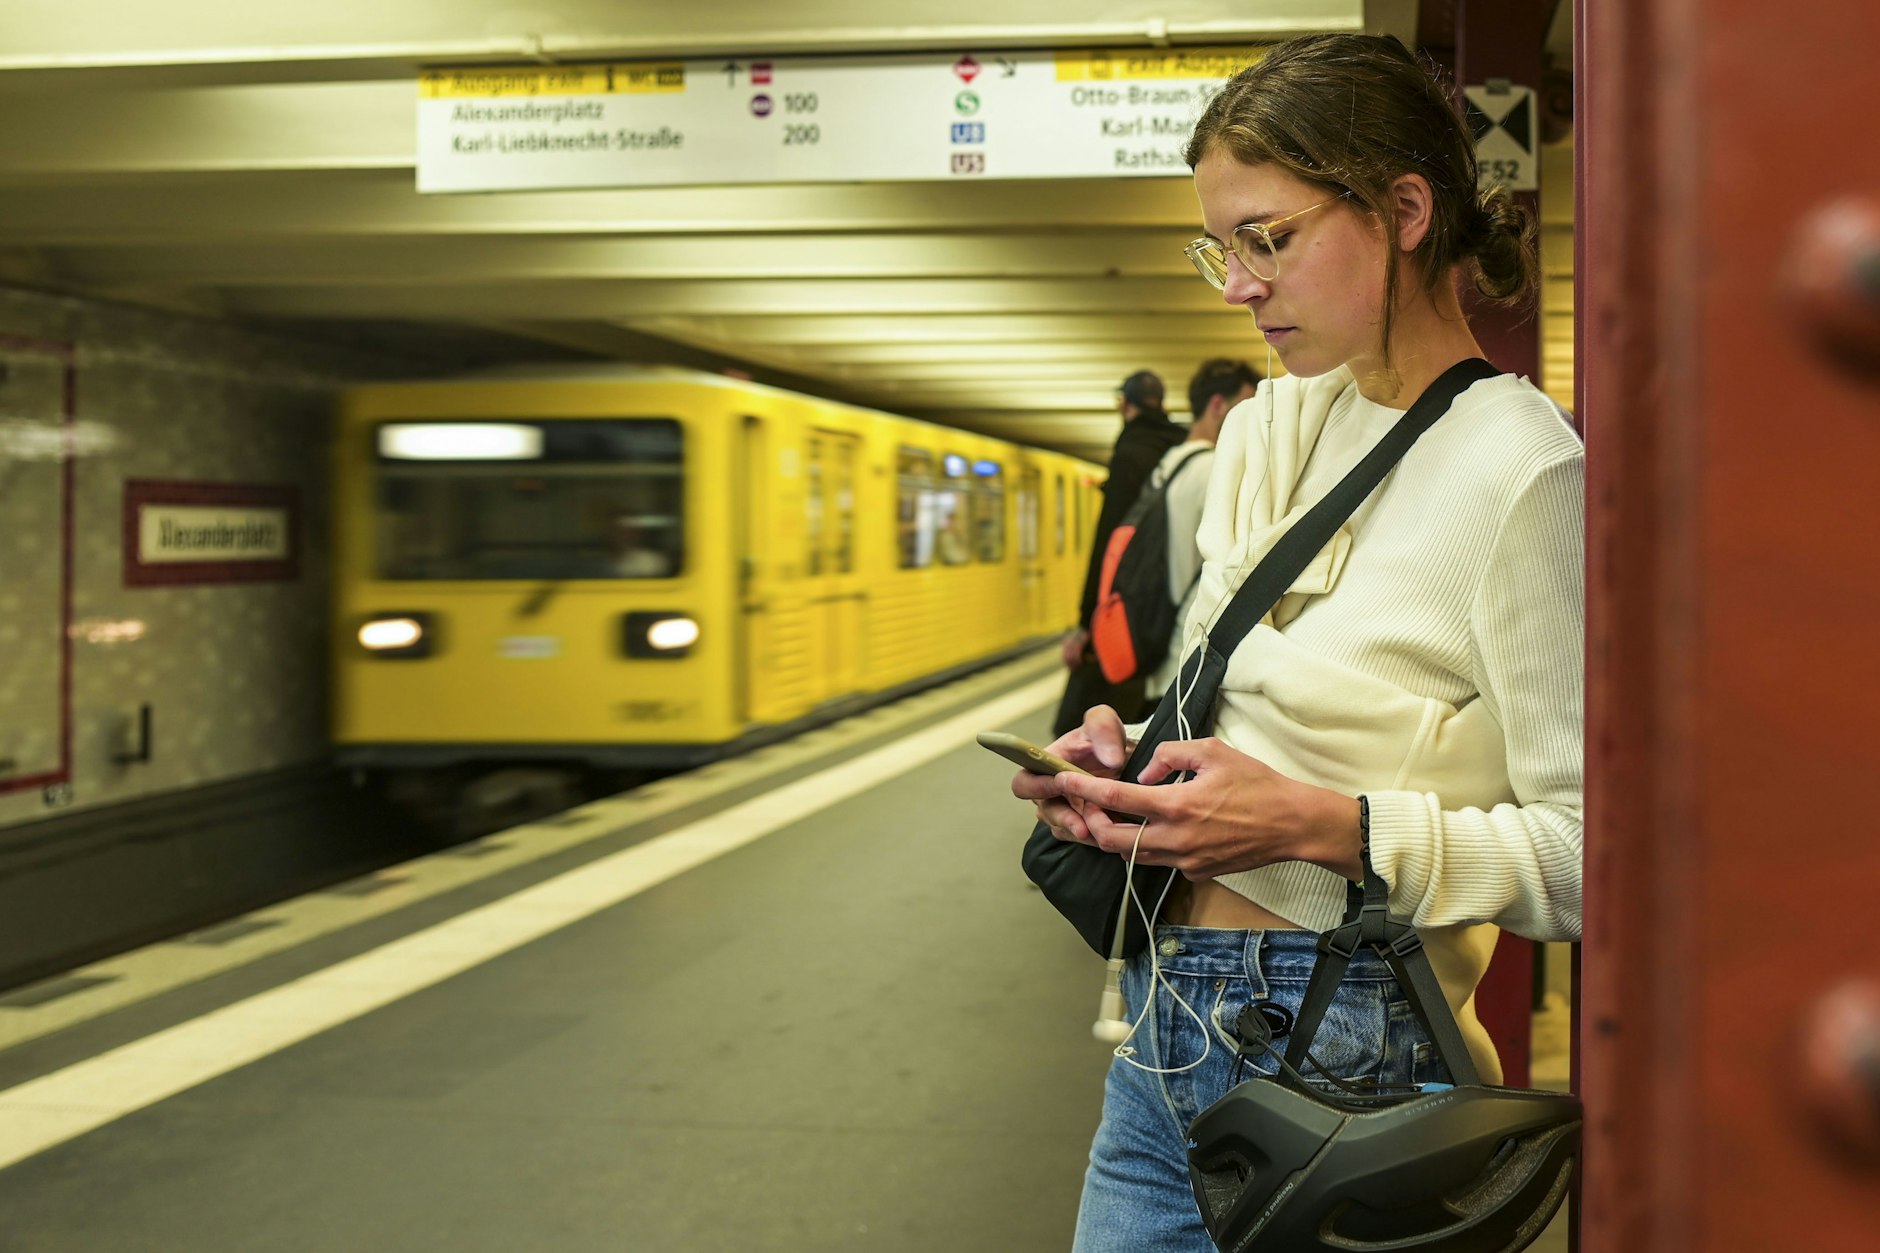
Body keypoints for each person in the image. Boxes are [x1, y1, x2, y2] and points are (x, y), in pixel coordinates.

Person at [1010, 33, 1584, 1251]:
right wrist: (1134, 767)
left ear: (1405, 211)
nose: (1236, 284)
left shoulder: (1522, 471)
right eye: (1222, 245)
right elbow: (1236, 701)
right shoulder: (1279, 429)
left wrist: (1314, 823)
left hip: (1351, 1043)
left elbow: (1589, 856)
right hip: (1165, 1015)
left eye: (1267, 239)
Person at [1054, 369, 1186, 735]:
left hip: (1128, 602)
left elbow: (1111, 540)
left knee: (1084, 723)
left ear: (1124, 405)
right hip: (1175, 601)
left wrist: (1086, 623)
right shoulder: (1181, 448)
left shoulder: (1130, 450)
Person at [1140, 359, 1261, 706]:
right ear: (1218, 406)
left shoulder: (1168, 465)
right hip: (1190, 654)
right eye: (1246, 405)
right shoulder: (1216, 470)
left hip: (1159, 646)